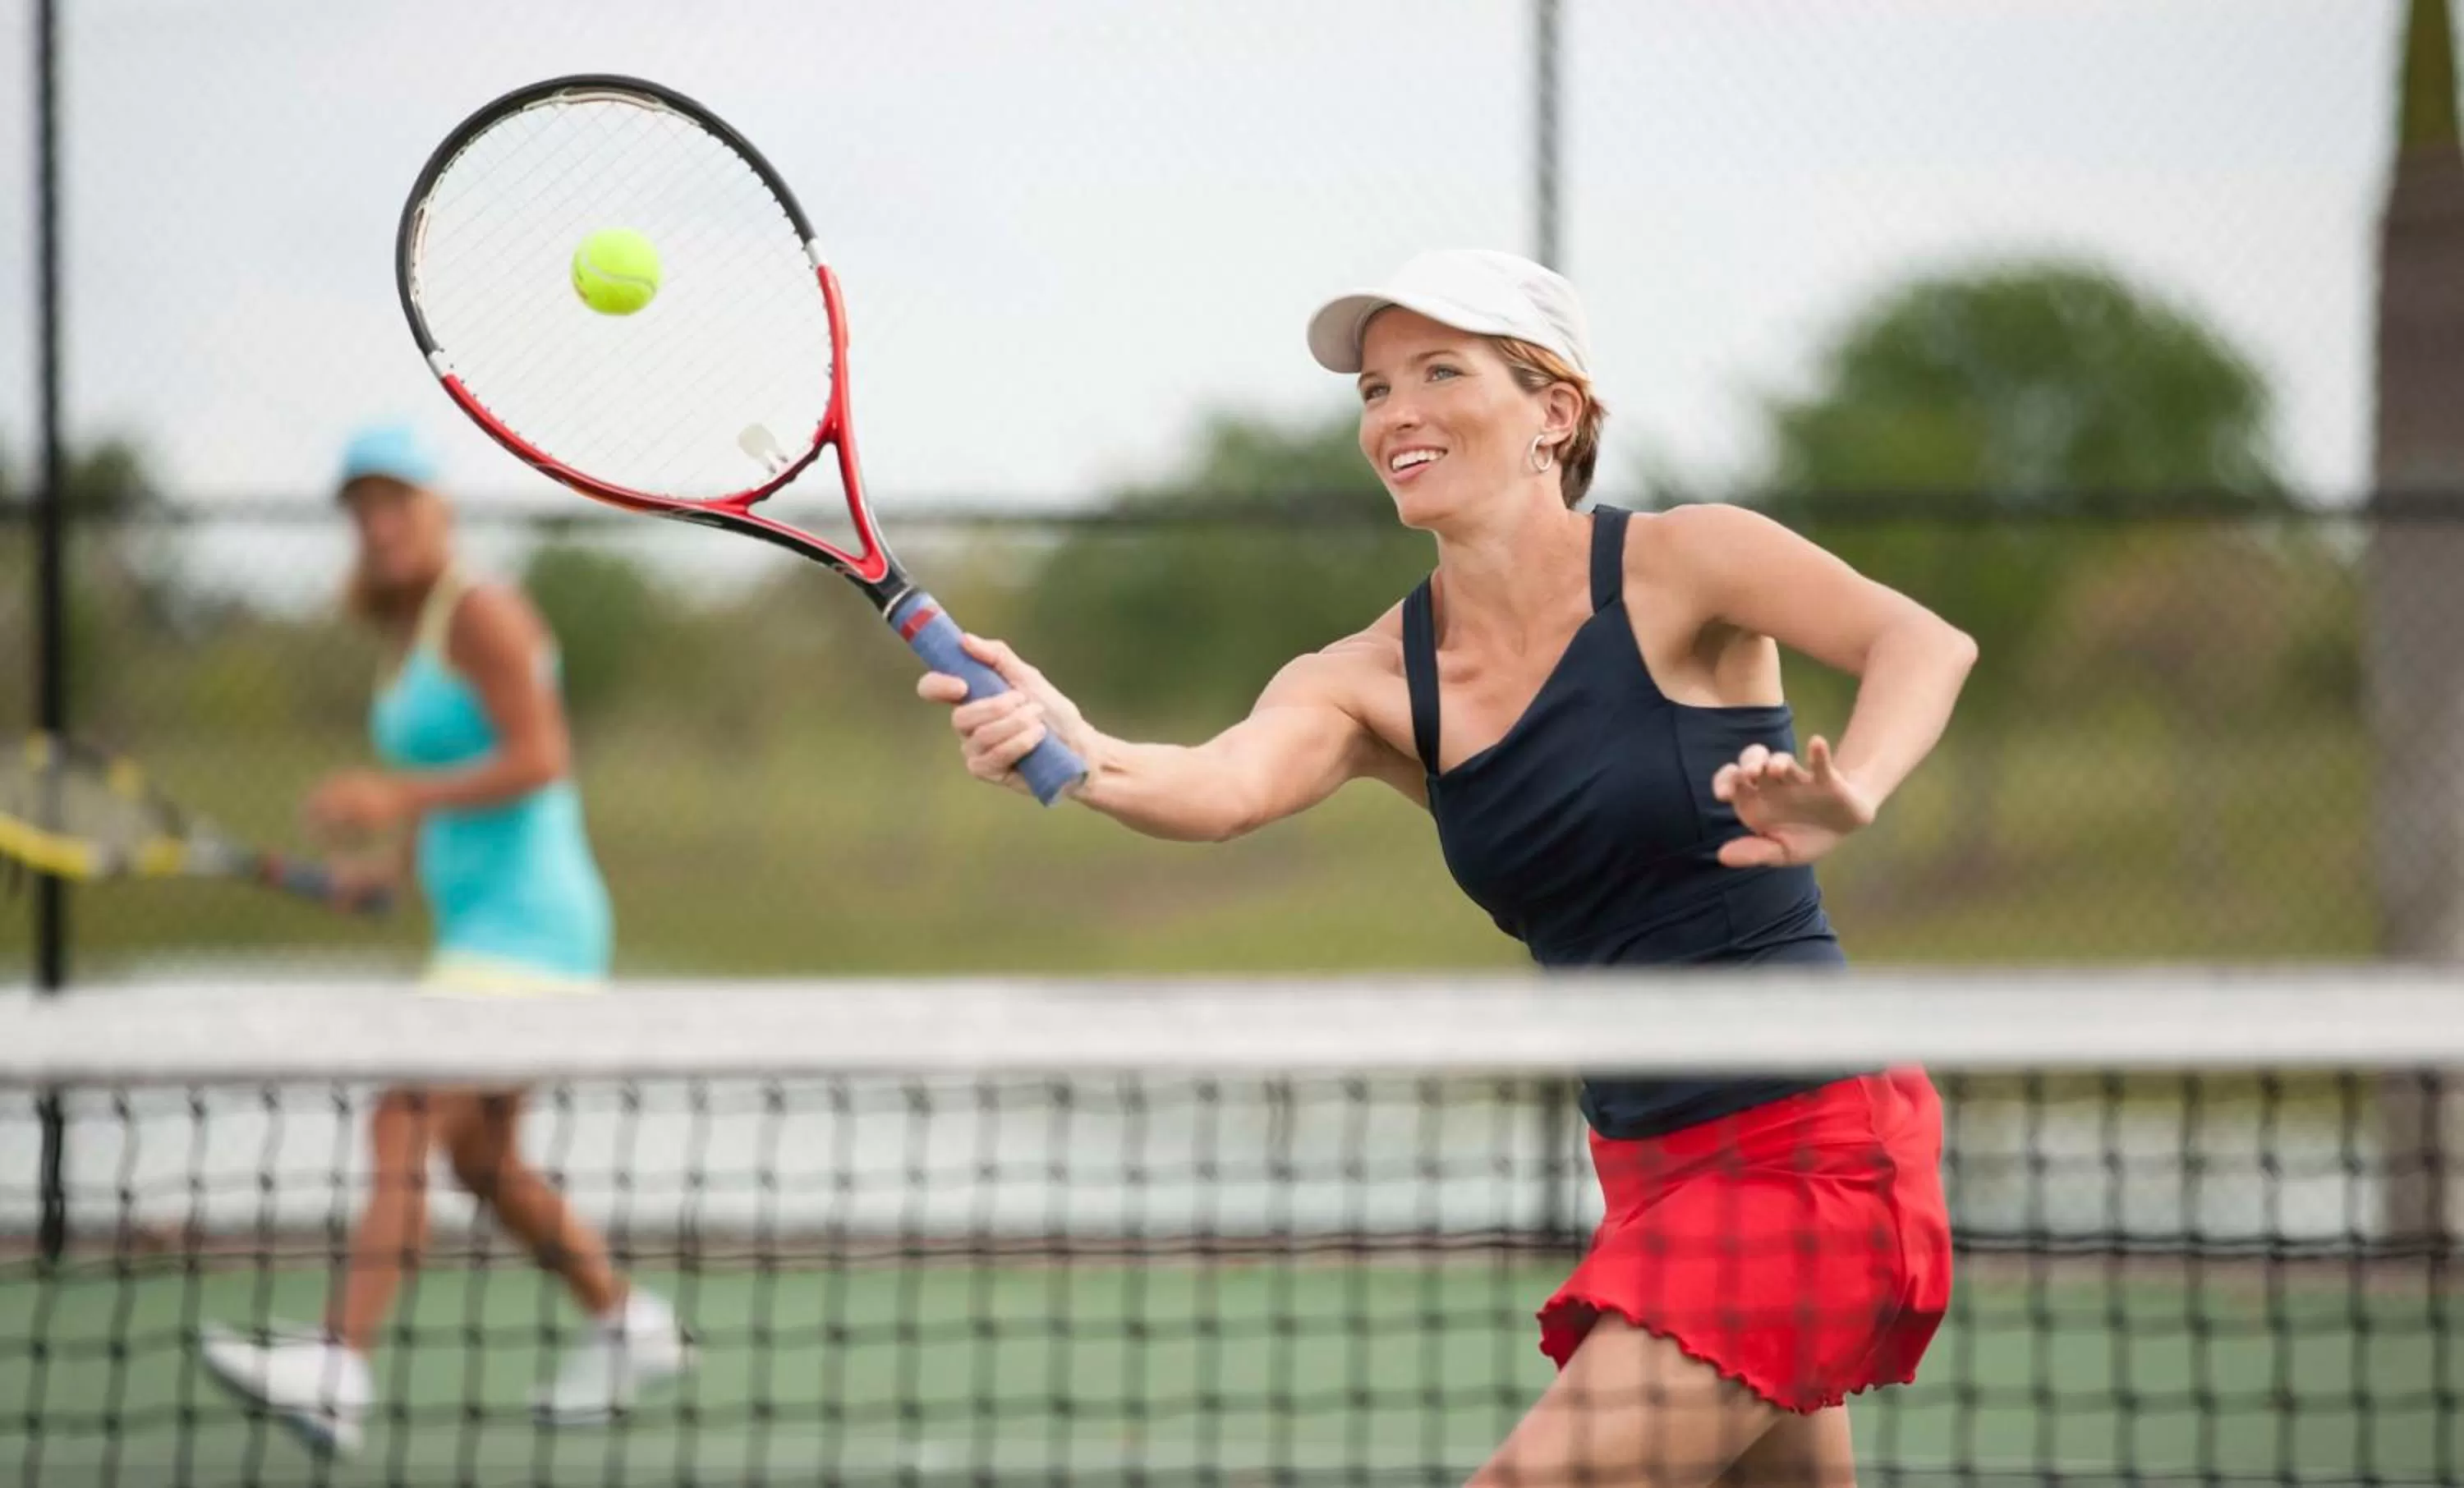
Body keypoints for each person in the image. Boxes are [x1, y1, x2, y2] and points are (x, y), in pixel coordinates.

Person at [920, 250, 1979, 1486]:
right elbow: (1215, 788)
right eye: (1374, 389)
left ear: (1555, 412)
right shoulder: (1369, 679)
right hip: (1648, 1172)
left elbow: (1923, 643)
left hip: (1811, 1151)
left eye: (1439, 371)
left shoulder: (1689, 562)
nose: (1397, 412)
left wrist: (1856, 790)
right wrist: (1081, 750)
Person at [197, 425, 692, 1455]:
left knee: (404, 1114)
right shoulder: (409, 630)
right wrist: (387, 876)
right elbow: (449, 772)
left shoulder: (483, 611)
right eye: (360, 507)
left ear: (440, 507)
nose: (378, 524)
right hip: (479, 926)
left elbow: (541, 758)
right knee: (482, 1162)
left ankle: (338, 1366)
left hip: (533, 929)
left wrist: (392, 793)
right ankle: (627, 1323)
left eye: (396, 501)